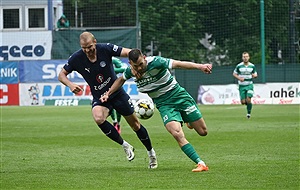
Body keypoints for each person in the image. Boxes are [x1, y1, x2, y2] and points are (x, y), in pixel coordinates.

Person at [101, 48, 212, 172]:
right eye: (135, 66)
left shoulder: (157, 62)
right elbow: (120, 80)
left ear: (144, 57)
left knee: (203, 132)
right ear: (130, 64)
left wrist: (200, 66)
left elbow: (178, 64)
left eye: (141, 64)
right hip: (164, 105)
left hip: (180, 96)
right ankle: (200, 163)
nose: (139, 68)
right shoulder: (131, 71)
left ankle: (189, 121)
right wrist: (108, 93)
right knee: (177, 133)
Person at [58, 32, 157, 169]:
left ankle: (151, 153)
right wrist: (70, 84)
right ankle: (125, 145)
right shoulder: (76, 58)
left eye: (90, 47)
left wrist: (137, 66)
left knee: (135, 125)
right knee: (98, 118)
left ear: (95, 42)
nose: (88, 50)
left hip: (117, 93)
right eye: (84, 48)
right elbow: (61, 75)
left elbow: (129, 52)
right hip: (100, 97)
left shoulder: (105, 48)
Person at [233, 52, 258, 119]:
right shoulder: (239, 66)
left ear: (249, 57)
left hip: (249, 84)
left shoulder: (252, 66)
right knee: (243, 102)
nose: (245, 58)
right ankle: (248, 104)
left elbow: (255, 74)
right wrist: (239, 78)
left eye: (246, 56)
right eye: (244, 57)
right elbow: (234, 74)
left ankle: (248, 113)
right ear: (242, 58)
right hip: (242, 86)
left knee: (248, 99)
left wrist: (254, 76)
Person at [111, 57, 127, 134]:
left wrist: (112, 70)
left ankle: (118, 124)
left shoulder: (113, 59)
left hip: (116, 84)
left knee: (118, 106)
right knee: (110, 106)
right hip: (103, 86)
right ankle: (114, 122)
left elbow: (124, 68)